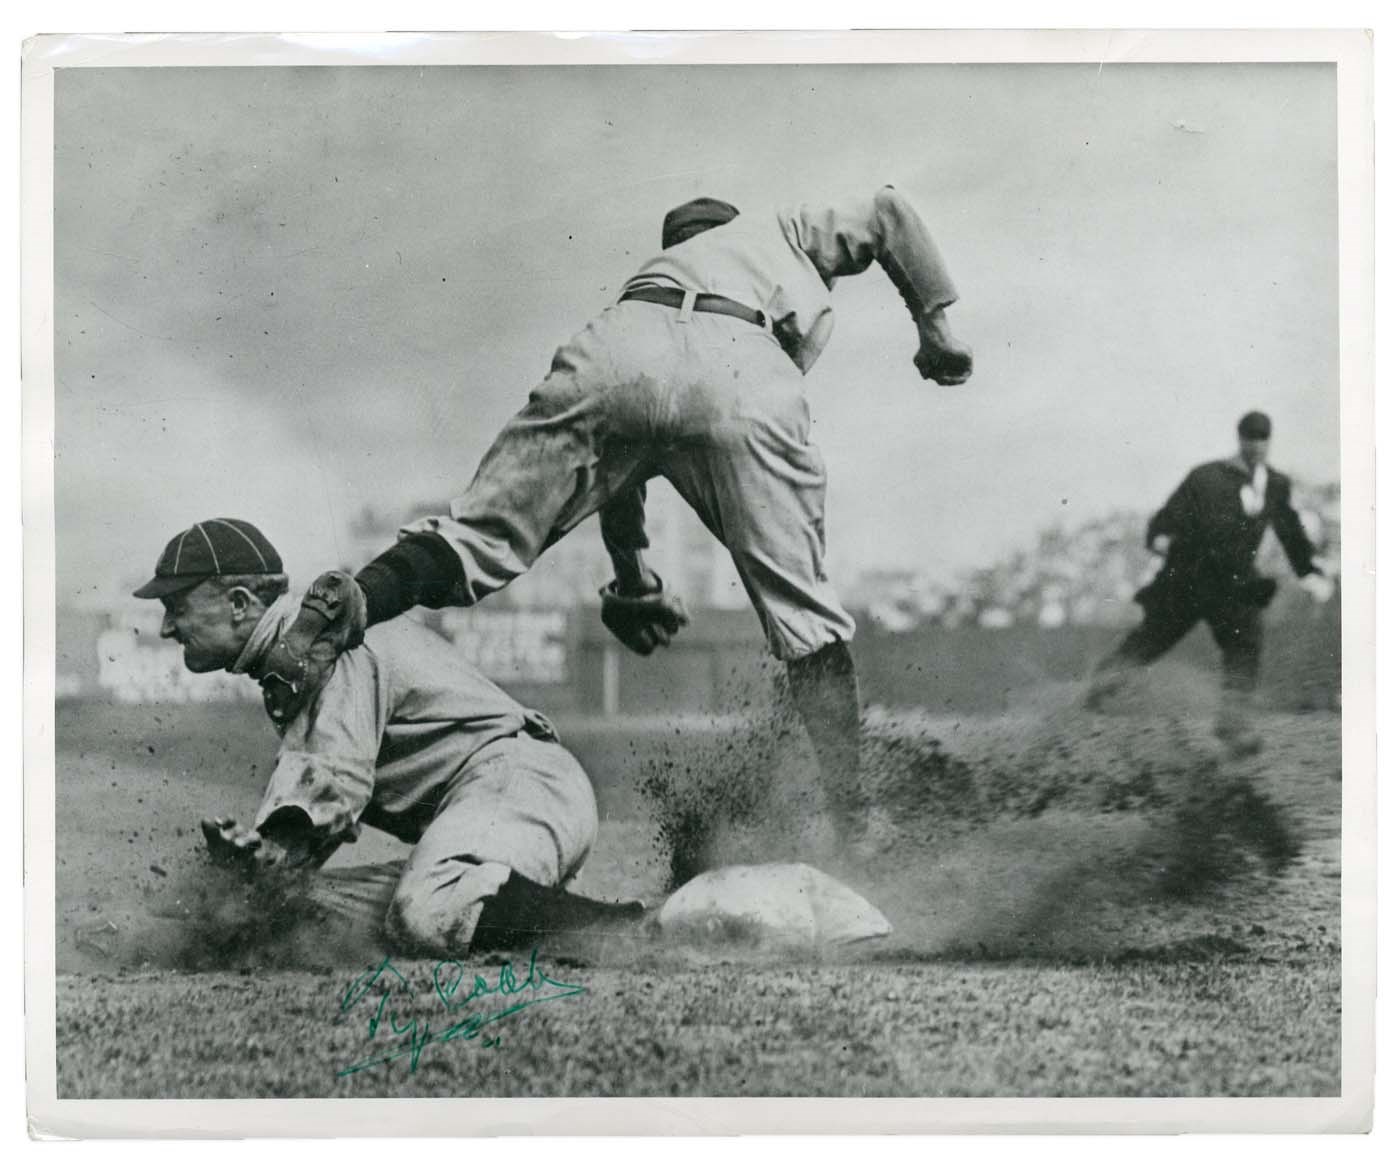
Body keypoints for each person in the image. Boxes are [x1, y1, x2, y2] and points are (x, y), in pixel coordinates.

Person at [259, 186, 974, 851]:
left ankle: (357, 595)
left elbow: (617, 485)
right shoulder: (775, 230)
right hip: (743, 359)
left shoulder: (648, 285)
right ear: (727, 230)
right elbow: (887, 209)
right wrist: (934, 325)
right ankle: (853, 825)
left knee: (474, 537)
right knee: (807, 619)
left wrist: (634, 582)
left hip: (615, 354)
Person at [134, 517, 643, 958]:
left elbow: (332, 790)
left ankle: (638, 932)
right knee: (293, 915)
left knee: (426, 910)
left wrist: (267, 859)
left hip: (517, 784)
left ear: (239, 602)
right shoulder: (296, 652)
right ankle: (537, 910)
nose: (165, 628)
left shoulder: (321, 644)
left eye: (176, 606)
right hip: (493, 815)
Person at [1086, 411, 1335, 753]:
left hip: (1234, 586)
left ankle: (1232, 726)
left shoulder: (1275, 484)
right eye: (1251, 437)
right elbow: (1162, 521)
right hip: (1189, 581)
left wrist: (1308, 570)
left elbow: (1289, 529)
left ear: (1269, 442)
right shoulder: (1206, 477)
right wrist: (1163, 540)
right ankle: (1095, 692)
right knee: (1151, 640)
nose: (1257, 445)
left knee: (1246, 644)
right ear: (1240, 438)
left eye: (1263, 438)